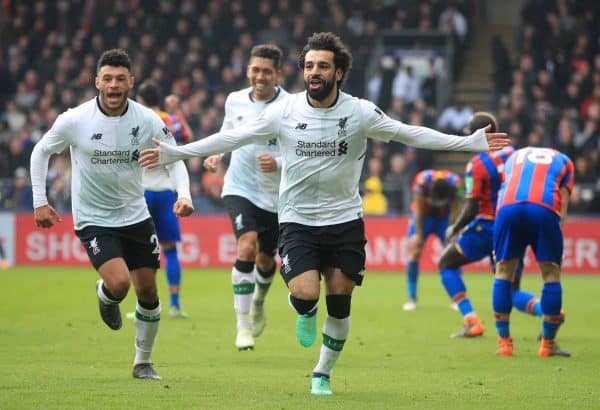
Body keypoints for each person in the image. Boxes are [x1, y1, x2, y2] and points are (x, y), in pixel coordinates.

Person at [139, 32, 510, 395]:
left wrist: (467, 143)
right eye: (310, 65)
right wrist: (178, 153)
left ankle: (321, 373)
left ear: (339, 73)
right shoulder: (283, 110)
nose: (315, 72)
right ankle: (302, 308)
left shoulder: (361, 112)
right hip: (297, 219)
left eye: (323, 66)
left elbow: (410, 133)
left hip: (345, 220)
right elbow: (232, 138)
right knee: (305, 295)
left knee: (339, 301)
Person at [30, 49, 194, 380]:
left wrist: (184, 194)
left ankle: (143, 362)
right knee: (119, 284)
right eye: (108, 78)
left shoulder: (147, 119)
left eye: (121, 79)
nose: (114, 85)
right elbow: (41, 150)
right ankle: (106, 295)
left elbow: (175, 156)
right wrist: (39, 200)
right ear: (97, 82)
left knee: (148, 292)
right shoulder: (75, 119)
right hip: (93, 218)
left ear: (131, 82)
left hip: (136, 215)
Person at [202, 44, 289, 351]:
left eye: (266, 71)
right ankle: (243, 326)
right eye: (255, 70)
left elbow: (302, 151)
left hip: (276, 196)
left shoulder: (292, 106)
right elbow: (228, 130)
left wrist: (278, 162)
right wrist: (215, 153)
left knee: (267, 259)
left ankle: (258, 301)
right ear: (248, 70)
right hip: (239, 186)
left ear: (278, 73)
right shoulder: (234, 100)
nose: (260, 76)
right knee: (246, 245)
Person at [493, 145, 573, 358]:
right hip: (543, 208)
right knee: (550, 274)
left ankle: (504, 345)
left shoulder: (514, 156)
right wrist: (557, 244)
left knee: (503, 272)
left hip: (507, 207)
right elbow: (562, 204)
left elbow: (505, 186)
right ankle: (547, 345)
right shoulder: (565, 161)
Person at [439, 112, 512, 337]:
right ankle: (548, 311)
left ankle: (472, 321)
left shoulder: (477, 164)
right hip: (511, 225)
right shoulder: (512, 153)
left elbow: (471, 207)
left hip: (486, 227)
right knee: (509, 283)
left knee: (446, 263)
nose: (468, 138)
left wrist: (455, 228)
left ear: (482, 133)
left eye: (470, 133)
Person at [136, 80, 192, 318]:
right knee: (169, 250)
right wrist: (176, 112)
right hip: (167, 191)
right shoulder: (170, 121)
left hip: (142, 191)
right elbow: (188, 139)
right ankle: (175, 304)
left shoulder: (135, 119)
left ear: (140, 99)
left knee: (141, 251)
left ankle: (144, 303)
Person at [402, 169, 462, 312]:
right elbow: (418, 210)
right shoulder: (422, 182)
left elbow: (455, 210)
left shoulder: (456, 184)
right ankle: (412, 299)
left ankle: (457, 299)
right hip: (424, 217)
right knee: (414, 251)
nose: (438, 203)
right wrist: (419, 234)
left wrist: (452, 232)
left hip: (444, 219)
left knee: (452, 254)